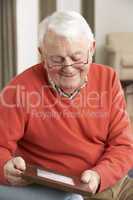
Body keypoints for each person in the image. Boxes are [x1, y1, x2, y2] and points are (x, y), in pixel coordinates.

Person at [0, 11, 133, 200]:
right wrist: (5, 167)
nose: (69, 68)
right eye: (57, 59)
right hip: (66, 193)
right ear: (42, 55)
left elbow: (123, 145)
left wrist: (99, 175)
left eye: (77, 57)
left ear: (92, 49)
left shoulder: (108, 78)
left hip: (111, 181)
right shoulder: (19, 89)